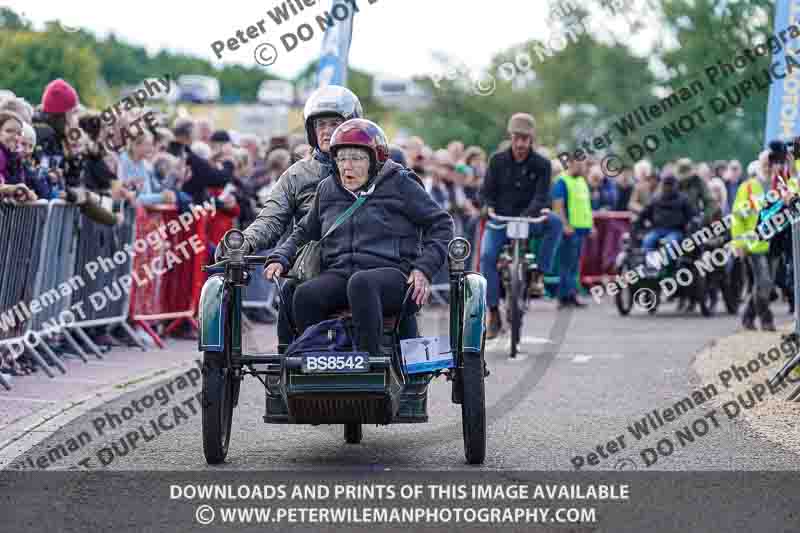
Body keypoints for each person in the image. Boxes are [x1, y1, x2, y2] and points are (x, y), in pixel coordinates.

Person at [264, 119, 453, 357]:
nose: (347, 167)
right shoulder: (327, 188)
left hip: (393, 275)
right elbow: (303, 231)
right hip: (341, 273)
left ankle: (369, 363)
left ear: (375, 160)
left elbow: (442, 224)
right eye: (341, 159)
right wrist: (280, 257)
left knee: (362, 283)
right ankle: (316, 365)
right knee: (304, 294)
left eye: (356, 158)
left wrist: (424, 268)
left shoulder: (401, 183)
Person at [215, 85, 363, 353]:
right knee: (290, 295)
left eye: (334, 123)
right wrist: (243, 243)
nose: (327, 131)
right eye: (320, 125)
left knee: (400, 300)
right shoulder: (296, 175)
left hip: (364, 263)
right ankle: (289, 364)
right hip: (312, 267)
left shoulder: (376, 168)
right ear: (311, 131)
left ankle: (409, 366)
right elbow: (270, 219)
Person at [479, 113, 563, 338]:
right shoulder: (497, 160)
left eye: (525, 139)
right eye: (517, 138)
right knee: (487, 256)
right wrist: (487, 206)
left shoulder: (542, 164)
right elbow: (486, 192)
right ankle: (493, 311)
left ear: (531, 139)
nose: (520, 144)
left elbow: (542, 195)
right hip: (502, 220)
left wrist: (532, 213)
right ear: (511, 136)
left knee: (555, 224)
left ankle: (539, 275)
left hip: (529, 219)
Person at [731, 150, 777, 331]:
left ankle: (748, 316)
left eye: (771, 163)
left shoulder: (780, 186)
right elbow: (737, 218)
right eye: (765, 163)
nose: (768, 166)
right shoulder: (748, 187)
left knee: (766, 284)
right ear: (759, 165)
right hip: (754, 244)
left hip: (775, 244)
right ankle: (766, 319)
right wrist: (739, 243)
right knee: (764, 282)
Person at [552, 156, 593, 307]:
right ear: (570, 164)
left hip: (581, 229)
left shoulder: (581, 181)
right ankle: (564, 297)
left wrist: (591, 225)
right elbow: (558, 206)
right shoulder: (561, 181)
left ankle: (571, 294)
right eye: (579, 164)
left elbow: (585, 205)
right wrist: (565, 225)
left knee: (574, 265)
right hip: (570, 230)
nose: (582, 167)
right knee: (566, 264)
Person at [637, 174, 695, 253]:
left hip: (676, 230)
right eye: (666, 185)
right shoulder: (656, 198)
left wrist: (688, 228)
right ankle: (649, 263)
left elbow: (691, 215)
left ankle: (666, 265)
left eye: (670, 185)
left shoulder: (683, 199)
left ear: (675, 185)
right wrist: (641, 228)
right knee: (647, 241)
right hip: (657, 229)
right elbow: (644, 213)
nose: (668, 187)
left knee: (669, 244)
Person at [676, 158, 714, 223]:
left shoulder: (698, 182)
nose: (685, 178)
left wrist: (704, 217)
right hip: (676, 218)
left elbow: (710, 201)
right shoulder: (673, 183)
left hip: (694, 218)